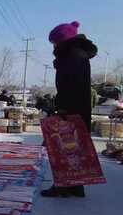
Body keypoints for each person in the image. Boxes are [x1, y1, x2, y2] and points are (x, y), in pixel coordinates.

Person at [41, 21, 97, 198]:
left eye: (55, 42)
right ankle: (76, 186)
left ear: (63, 41)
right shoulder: (77, 54)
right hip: (77, 107)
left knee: (65, 147)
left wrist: (63, 107)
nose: (54, 46)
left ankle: (63, 186)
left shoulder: (73, 56)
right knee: (74, 148)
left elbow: (70, 86)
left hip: (72, 108)